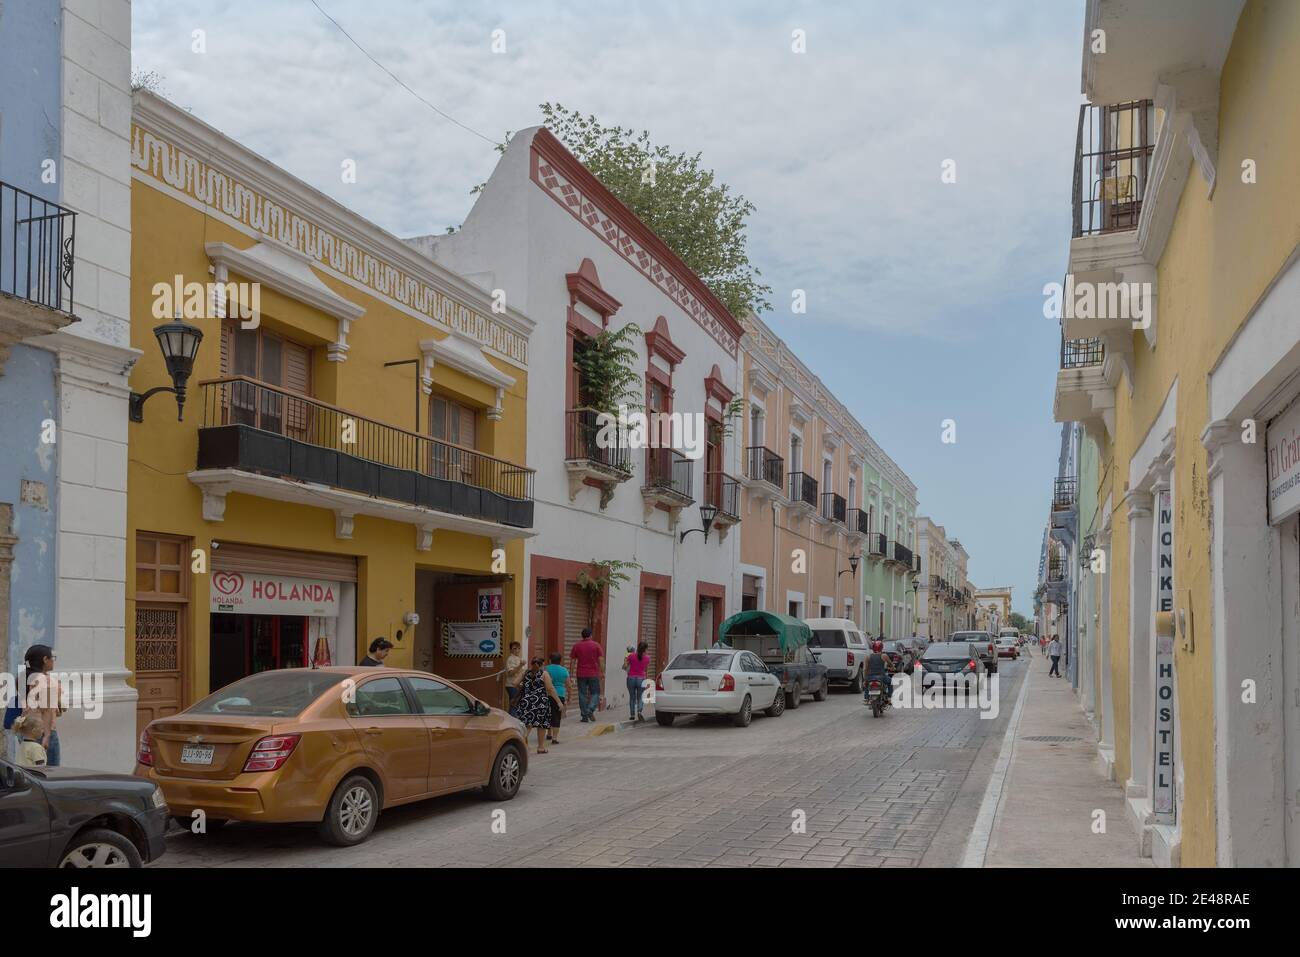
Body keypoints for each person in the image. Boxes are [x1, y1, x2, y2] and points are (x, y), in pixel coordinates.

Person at [511, 657, 560, 753]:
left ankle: (523, 744)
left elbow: (514, 683)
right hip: (541, 702)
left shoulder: (525, 673)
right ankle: (540, 747)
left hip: (526, 702)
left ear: (531, 664)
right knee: (541, 725)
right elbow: (550, 688)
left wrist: (523, 687)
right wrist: (558, 701)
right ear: (542, 665)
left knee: (527, 725)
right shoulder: (544, 673)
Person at [23, 644, 62, 767]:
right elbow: (47, 710)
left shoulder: (28, 677)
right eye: (52, 658)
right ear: (45, 659)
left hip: (28, 730)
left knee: (31, 772)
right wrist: (47, 735)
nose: (53, 661)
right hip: (42, 730)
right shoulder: (44, 680)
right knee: (51, 773)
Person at [570, 628, 604, 722]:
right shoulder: (596, 645)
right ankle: (590, 709)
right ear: (591, 635)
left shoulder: (577, 646)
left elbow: (573, 661)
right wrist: (602, 672)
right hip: (593, 673)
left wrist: (571, 674)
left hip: (581, 673)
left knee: (582, 694)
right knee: (595, 693)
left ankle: (584, 716)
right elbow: (601, 660)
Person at [544, 652, 570, 744]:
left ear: (550, 660)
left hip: (548, 694)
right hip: (560, 694)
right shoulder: (564, 670)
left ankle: (549, 733)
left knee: (548, 714)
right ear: (560, 661)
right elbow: (568, 685)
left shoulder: (546, 669)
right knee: (556, 716)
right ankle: (554, 738)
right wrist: (569, 696)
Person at [626, 641, 650, 722]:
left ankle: (632, 715)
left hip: (631, 679)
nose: (648, 651)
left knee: (632, 697)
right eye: (647, 649)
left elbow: (625, 666)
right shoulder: (647, 658)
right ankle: (639, 711)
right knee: (640, 697)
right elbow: (645, 670)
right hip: (641, 679)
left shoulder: (631, 656)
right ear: (645, 650)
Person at [505, 642, 526, 709]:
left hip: (517, 685)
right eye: (514, 648)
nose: (517, 650)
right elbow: (510, 673)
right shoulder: (510, 659)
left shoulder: (518, 658)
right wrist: (520, 665)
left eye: (518, 648)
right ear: (510, 650)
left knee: (516, 705)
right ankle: (512, 719)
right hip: (512, 685)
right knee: (514, 705)